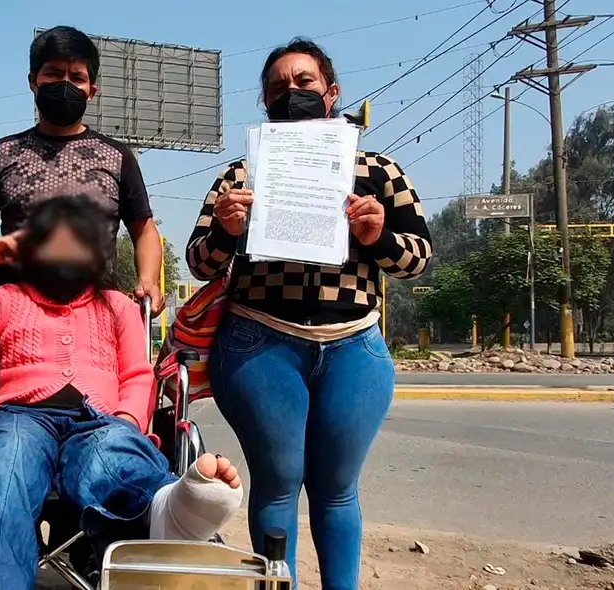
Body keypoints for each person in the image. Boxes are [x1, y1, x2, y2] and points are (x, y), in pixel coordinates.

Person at [185, 38, 432, 590]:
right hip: (260, 343)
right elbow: (199, 263)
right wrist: (225, 229)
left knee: (338, 487)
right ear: (264, 101)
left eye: (303, 83)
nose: (290, 93)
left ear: (332, 92)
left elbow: (417, 259)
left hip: (354, 346)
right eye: (277, 87)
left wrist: (377, 235)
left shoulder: (378, 172)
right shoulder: (241, 176)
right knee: (277, 482)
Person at [0, 195, 243, 590]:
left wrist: (126, 420)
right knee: (2, 465)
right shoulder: (9, 299)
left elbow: (138, 375)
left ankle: (170, 513)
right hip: (21, 414)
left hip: (98, 417)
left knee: (111, 452)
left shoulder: (117, 306)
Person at [0, 25, 165, 315]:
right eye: (54, 74)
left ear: (91, 91)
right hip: (15, 313)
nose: (65, 84)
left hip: (95, 317)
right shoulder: (3, 152)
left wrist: (148, 281)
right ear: (33, 81)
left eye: (77, 77)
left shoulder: (117, 156)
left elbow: (144, 230)